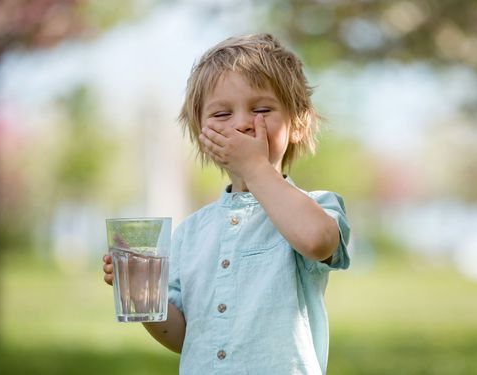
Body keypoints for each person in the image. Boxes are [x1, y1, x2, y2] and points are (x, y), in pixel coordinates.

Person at [102, 33, 350, 374]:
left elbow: (317, 240)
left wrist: (255, 166)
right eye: (221, 114)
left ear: (297, 123)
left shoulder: (316, 206)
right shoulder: (191, 231)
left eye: (262, 109)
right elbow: (187, 335)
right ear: (200, 133)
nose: (243, 123)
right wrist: (145, 297)